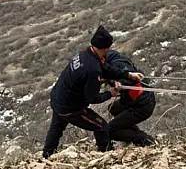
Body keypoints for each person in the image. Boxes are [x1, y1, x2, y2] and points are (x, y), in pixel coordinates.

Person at [43, 26, 144, 158]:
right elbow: (92, 98)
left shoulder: (86, 54)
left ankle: (47, 155)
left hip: (58, 98)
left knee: (57, 127)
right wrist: (111, 94)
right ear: (105, 48)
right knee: (102, 127)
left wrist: (128, 75)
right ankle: (107, 155)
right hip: (71, 108)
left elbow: (105, 68)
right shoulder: (92, 70)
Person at [103, 50, 156, 147]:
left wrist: (118, 83)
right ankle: (130, 131)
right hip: (137, 99)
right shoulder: (115, 59)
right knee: (114, 108)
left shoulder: (118, 64)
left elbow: (128, 79)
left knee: (110, 130)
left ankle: (144, 140)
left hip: (142, 105)